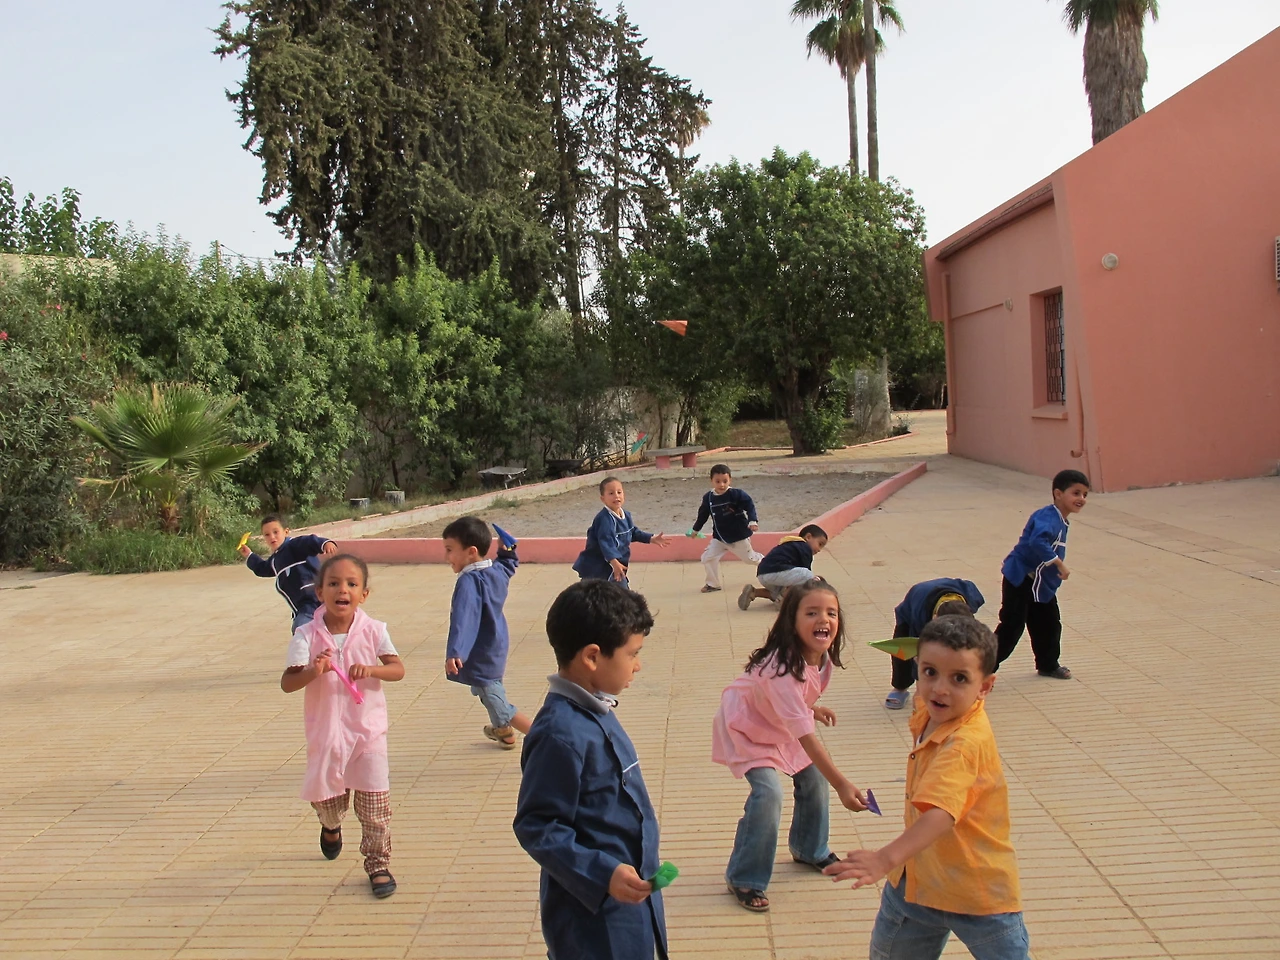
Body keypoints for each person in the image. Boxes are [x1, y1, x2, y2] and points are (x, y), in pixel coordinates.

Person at [825, 615, 1030, 960]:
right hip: (917, 883)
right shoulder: (933, 708)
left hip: (976, 891)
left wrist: (885, 858)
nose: (939, 689)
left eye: (960, 678)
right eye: (930, 672)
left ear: (986, 686)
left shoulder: (963, 743)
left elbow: (941, 812)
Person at [513, 580, 668, 960]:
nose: (638, 664)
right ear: (593, 657)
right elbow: (538, 825)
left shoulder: (597, 710)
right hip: (593, 915)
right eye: (633, 653)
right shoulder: (559, 734)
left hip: (632, 894)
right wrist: (601, 872)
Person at [712, 579, 869, 913]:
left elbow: (796, 702)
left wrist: (811, 708)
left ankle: (809, 848)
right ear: (791, 622)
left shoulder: (821, 658)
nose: (823, 620)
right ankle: (745, 876)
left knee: (813, 779)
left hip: (780, 722)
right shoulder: (781, 670)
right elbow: (804, 734)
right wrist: (842, 784)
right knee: (769, 794)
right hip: (748, 727)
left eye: (831, 613)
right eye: (811, 612)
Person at [281, 554, 405, 899]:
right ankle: (330, 826)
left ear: (364, 594)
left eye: (352, 584)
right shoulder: (306, 635)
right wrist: (312, 672)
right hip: (327, 736)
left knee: (375, 806)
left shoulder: (375, 630)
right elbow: (287, 683)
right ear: (319, 591)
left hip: (367, 734)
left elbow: (397, 669)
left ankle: (378, 864)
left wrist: (373, 669)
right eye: (334, 583)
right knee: (329, 802)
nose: (342, 590)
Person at [441, 515, 529, 749]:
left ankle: (539, 734)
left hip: (479, 650)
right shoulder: (495, 571)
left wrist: (455, 653)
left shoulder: (469, 582)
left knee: (491, 694)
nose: (446, 557)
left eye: (450, 550)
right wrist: (507, 550)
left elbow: (464, 619)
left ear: (471, 552)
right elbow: (509, 564)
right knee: (488, 687)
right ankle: (504, 732)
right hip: (496, 643)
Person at [994, 469, 1090, 679]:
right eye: (1076, 493)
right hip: (1020, 578)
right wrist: (1058, 564)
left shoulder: (1061, 519)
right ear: (1058, 493)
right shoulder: (1047, 517)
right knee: (1012, 626)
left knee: (1048, 623)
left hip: (1039, 584)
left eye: (1084, 494)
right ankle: (981, 669)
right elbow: (1037, 542)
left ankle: (1047, 664)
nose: (1081, 498)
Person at [883, 578, 985, 710]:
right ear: (935, 617)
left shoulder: (969, 601)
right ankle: (900, 688)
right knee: (902, 651)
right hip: (911, 610)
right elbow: (919, 654)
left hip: (947, 590)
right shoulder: (920, 615)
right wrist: (921, 694)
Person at [240, 513, 338, 632]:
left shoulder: (294, 545)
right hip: (301, 606)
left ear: (286, 532)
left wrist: (325, 543)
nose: (272, 537)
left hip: (315, 599)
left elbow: (309, 541)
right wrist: (249, 556)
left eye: (276, 532)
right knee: (307, 631)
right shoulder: (275, 559)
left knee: (300, 630)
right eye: (267, 534)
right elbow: (263, 568)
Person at [573, 476, 670, 589]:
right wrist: (614, 562)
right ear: (603, 498)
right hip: (599, 566)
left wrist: (651, 539)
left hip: (616, 565)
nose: (616, 496)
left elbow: (632, 532)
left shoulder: (626, 515)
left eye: (619, 492)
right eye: (611, 493)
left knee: (613, 596)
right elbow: (606, 542)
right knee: (612, 595)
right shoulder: (604, 519)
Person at [688, 463, 764, 593]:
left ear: (730, 480)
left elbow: (749, 505)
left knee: (750, 559)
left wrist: (752, 520)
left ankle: (770, 563)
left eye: (725, 481)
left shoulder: (736, 494)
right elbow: (702, 515)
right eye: (718, 481)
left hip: (738, 537)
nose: (721, 485)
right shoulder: (708, 498)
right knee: (707, 557)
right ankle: (713, 584)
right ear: (711, 481)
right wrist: (695, 530)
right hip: (719, 538)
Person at [738, 524, 828, 610]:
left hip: (762, 574)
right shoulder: (804, 547)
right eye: (820, 544)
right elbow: (805, 576)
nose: (819, 550)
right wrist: (814, 582)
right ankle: (783, 600)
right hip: (776, 572)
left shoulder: (790, 544)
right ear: (808, 537)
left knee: (777, 592)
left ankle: (754, 592)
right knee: (807, 575)